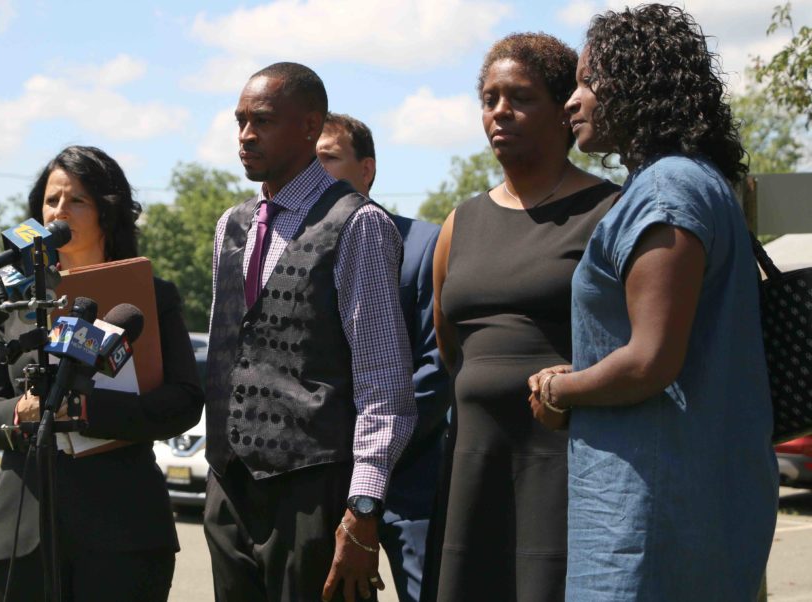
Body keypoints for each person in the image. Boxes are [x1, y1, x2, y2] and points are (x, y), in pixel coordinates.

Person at [525, 5, 778, 600]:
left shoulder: (665, 191)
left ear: (637, 83)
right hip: (695, 496)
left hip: (650, 510)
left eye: (589, 81)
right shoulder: (695, 181)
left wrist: (558, 389)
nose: (572, 100)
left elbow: (650, 361)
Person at [203, 62, 416, 602]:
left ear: (309, 126)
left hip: (312, 486)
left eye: (263, 121)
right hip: (229, 483)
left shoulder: (358, 224)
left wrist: (364, 506)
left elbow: (383, 377)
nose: (245, 135)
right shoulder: (231, 225)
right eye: (241, 121)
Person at [431, 33, 620, 602]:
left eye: (520, 97)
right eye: (489, 99)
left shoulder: (610, 212)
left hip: (567, 468)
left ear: (564, 110)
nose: (500, 113)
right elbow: (449, 345)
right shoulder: (459, 223)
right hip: (472, 467)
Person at [0, 145, 204, 602]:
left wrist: (82, 409)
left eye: (77, 200)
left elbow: (183, 401)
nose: (61, 212)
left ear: (107, 212)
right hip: (22, 531)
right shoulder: (15, 302)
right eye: (52, 201)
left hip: (122, 531)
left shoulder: (151, 296)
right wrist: (22, 410)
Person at [316, 112, 449, 602]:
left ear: (367, 169)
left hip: (412, 479)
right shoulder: (299, 256)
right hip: (328, 484)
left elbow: (438, 366)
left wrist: (375, 453)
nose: (315, 171)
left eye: (328, 158)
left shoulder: (425, 245)